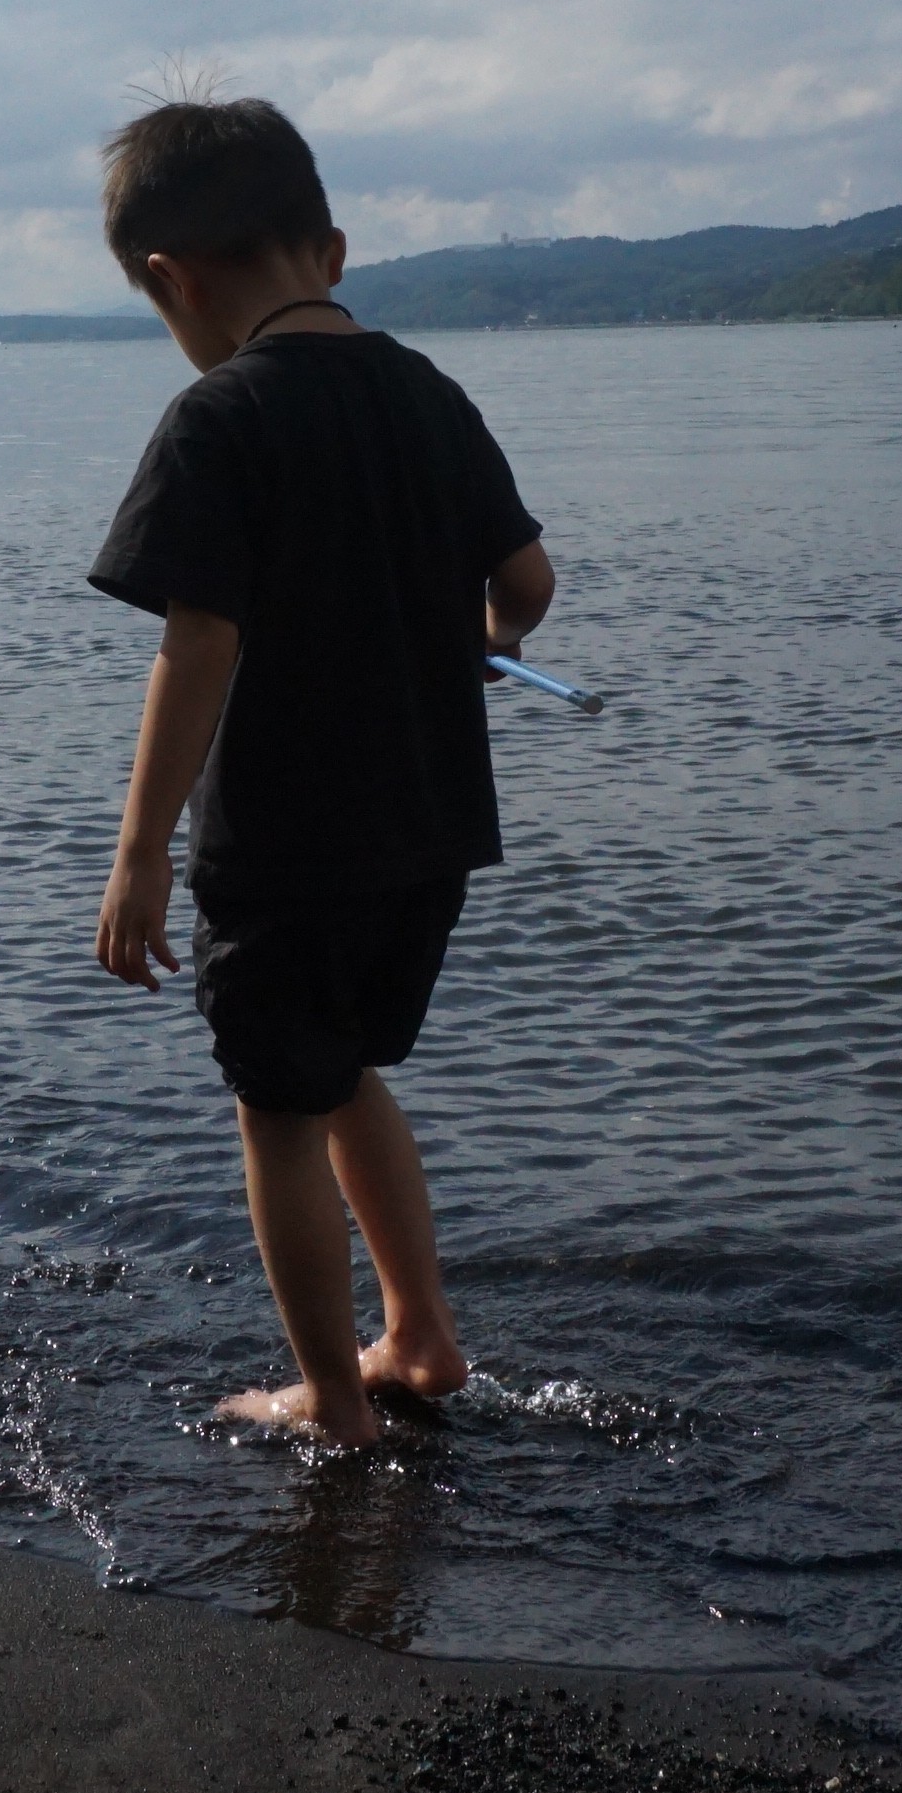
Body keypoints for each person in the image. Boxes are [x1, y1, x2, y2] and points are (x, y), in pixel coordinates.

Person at [83, 97, 557, 1450]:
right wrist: (481, 643)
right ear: (331, 251)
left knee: (278, 1112)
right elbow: (525, 583)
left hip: (288, 847)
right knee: (341, 1074)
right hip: (430, 837)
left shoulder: (217, 421)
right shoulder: (429, 395)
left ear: (170, 281)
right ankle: (419, 1332)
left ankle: (337, 1407)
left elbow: (201, 642)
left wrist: (138, 855)